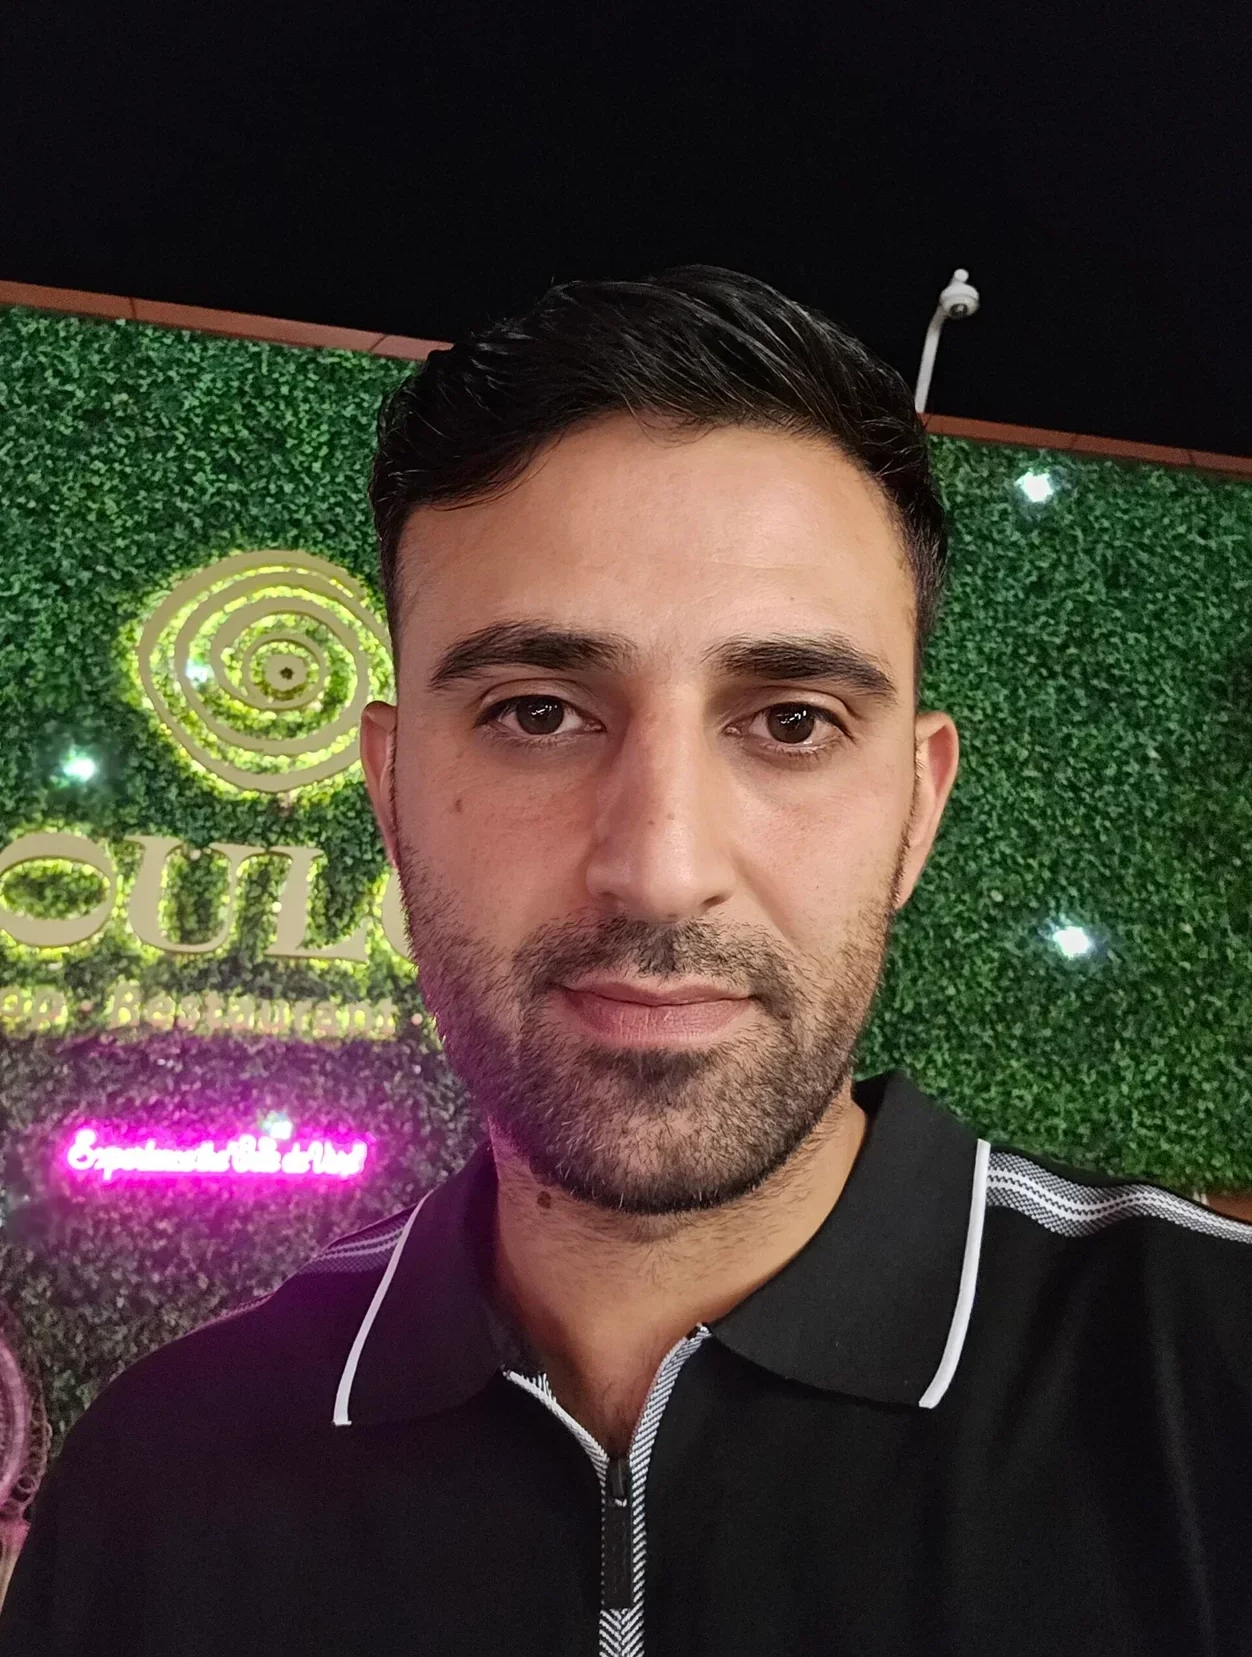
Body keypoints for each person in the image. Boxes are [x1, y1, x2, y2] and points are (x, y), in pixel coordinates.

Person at [3, 266, 1251, 1657]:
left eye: (790, 721)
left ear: (916, 810)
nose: (659, 865)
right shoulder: (161, 1486)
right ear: (392, 794)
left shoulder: (1214, 1384)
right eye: (538, 712)